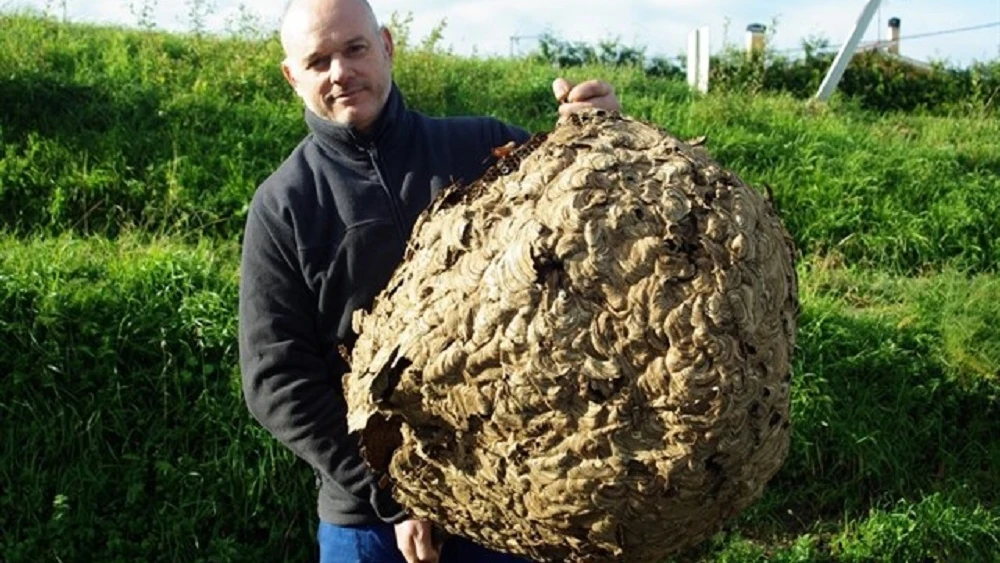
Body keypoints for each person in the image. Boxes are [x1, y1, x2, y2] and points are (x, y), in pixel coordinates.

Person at [237, 0, 620, 562]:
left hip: (507, 504)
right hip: (369, 524)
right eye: (318, 60)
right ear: (292, 76)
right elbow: (276, 380)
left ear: (387, 46)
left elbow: (586, 216)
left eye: (355, 49)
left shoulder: (485, 147)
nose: (340, 72)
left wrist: (600, 135)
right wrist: (395, 494)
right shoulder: (284, 205)